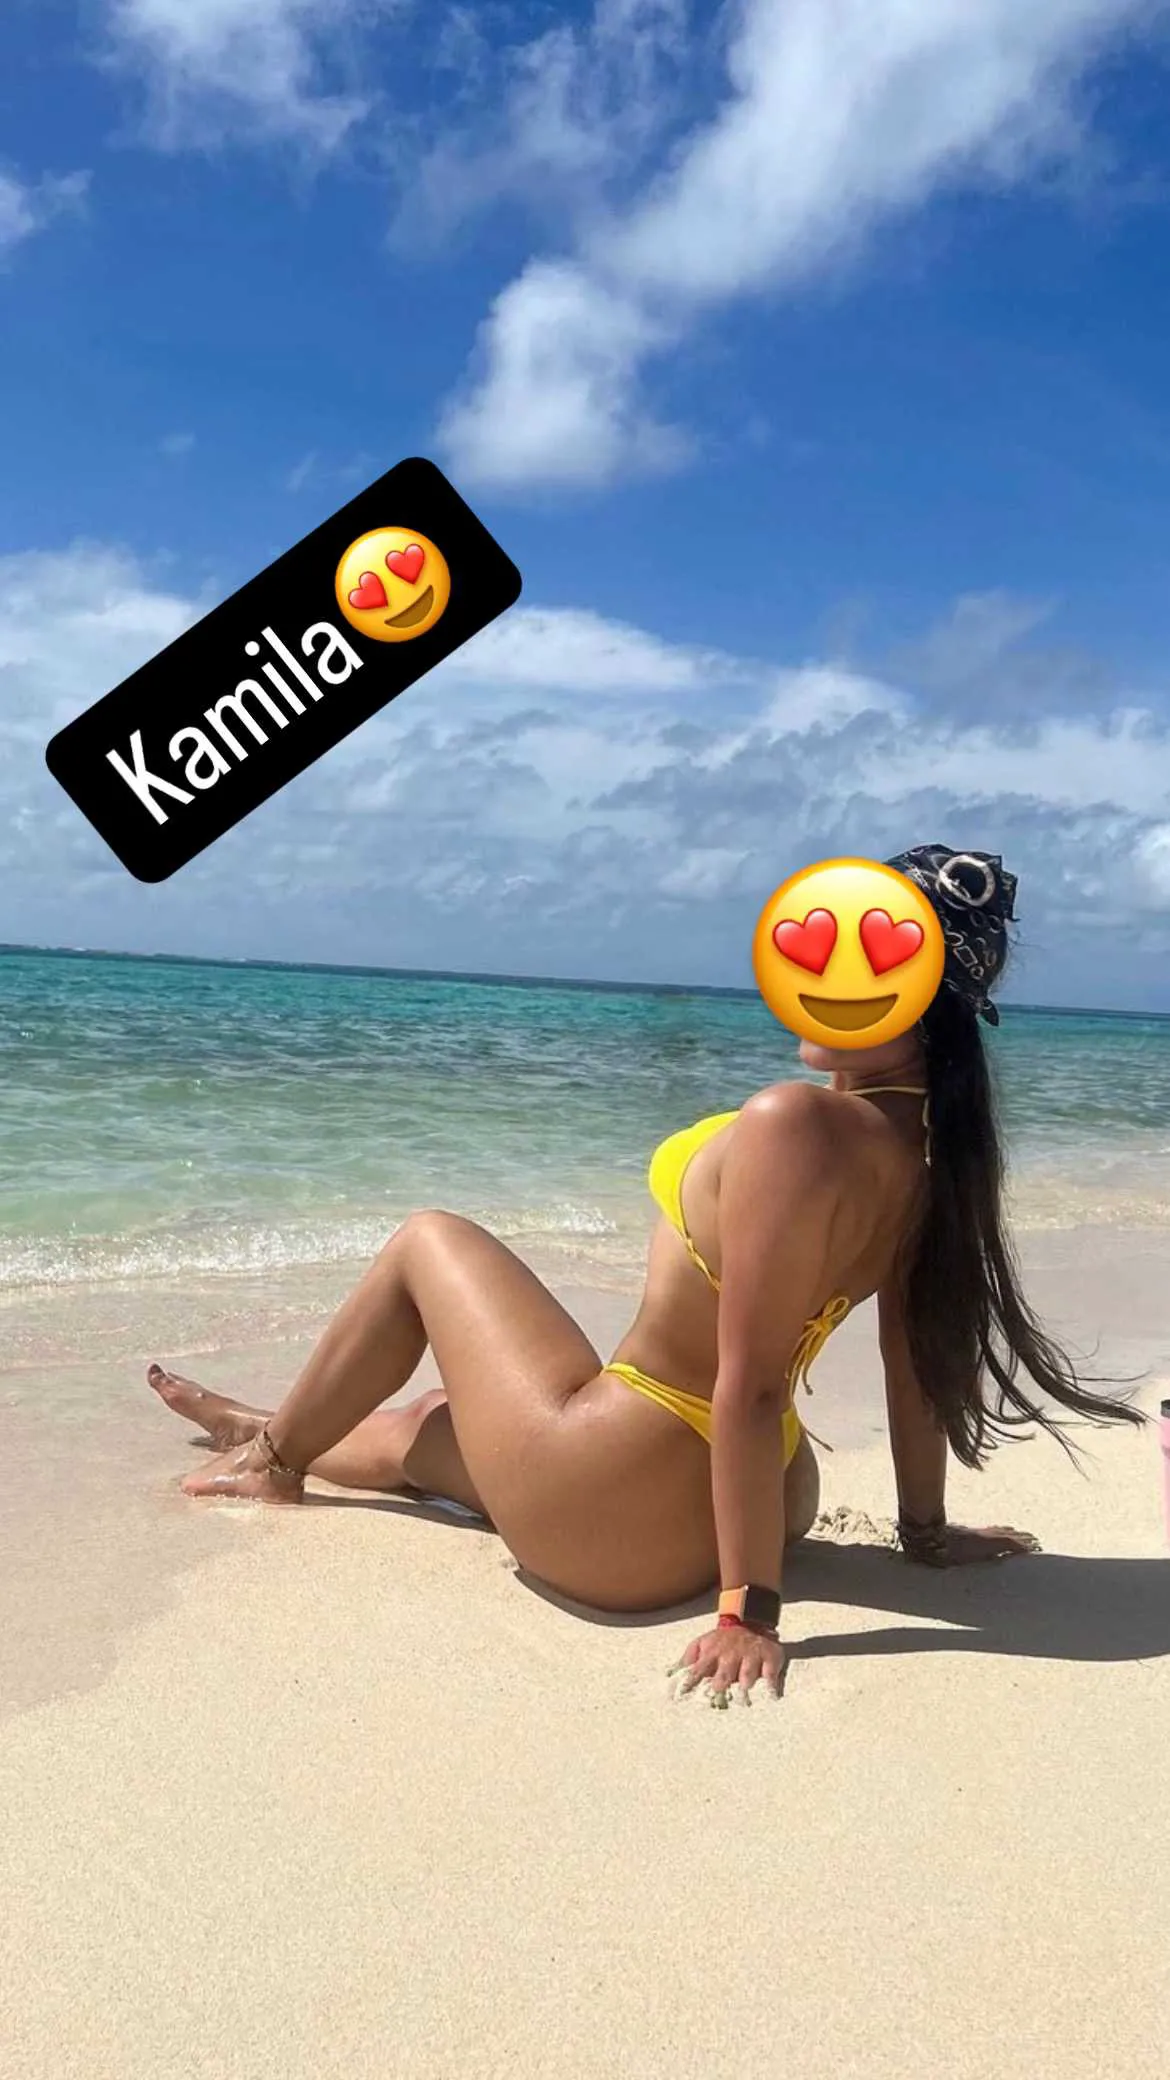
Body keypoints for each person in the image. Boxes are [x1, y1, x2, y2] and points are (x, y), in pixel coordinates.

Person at [149, 845, 1145, 1702]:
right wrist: (924, 1534)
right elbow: (913, 1361)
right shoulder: (936, 1158)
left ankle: (272, 1459)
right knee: (436, 1422)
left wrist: (748, 1614)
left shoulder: (796, 1124)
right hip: (767, 1494)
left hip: (622, 1500)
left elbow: (749, 1382)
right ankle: (263, 1426)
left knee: (428, 1239)